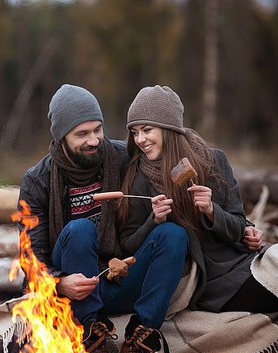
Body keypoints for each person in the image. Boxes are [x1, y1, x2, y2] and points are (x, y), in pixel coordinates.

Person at [16, 84, 190, 353]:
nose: (94, 140)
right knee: (81, 229)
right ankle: (89, 332)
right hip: (76, 287)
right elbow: (31, 255)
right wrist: (59, 283)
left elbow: (172, 150)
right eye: (82, 134)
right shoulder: (38, 180)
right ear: (61, 136)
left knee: (173, 234)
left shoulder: (122, 157)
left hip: (122, 275)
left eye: (97, 129)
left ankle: (141, 334)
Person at [118, 85, 278, 324]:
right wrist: (155, 221)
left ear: (169, 128)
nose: (140, 139)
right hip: (211, 282)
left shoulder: (213, 160)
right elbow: (127, 245)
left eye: (147, 130)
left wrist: (212, 210)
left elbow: (239, 226)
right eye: (135, 132)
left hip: (243, 261)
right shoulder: (138, 178)